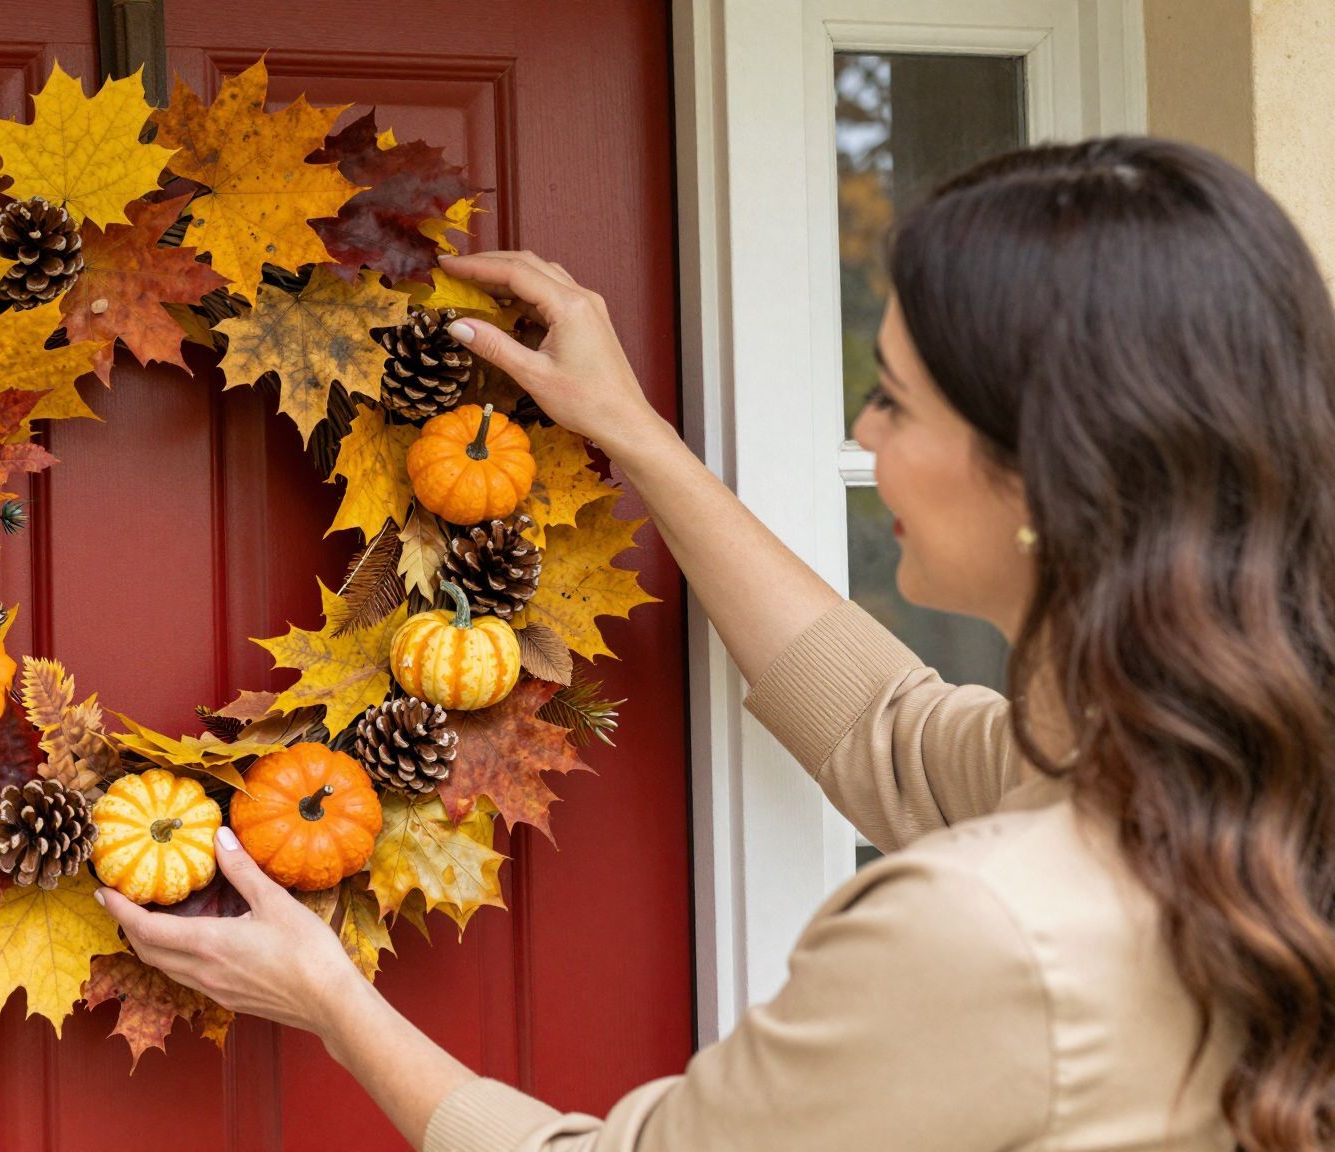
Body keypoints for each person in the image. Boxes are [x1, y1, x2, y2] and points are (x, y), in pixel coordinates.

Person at [95, 137, 1335, 1151]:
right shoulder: (1226, 780)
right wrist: (635, 438)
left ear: (1038, 475)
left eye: (894, 398)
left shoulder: (984, 930)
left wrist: (326, 1000)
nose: (859, 423)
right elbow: (883, 731)